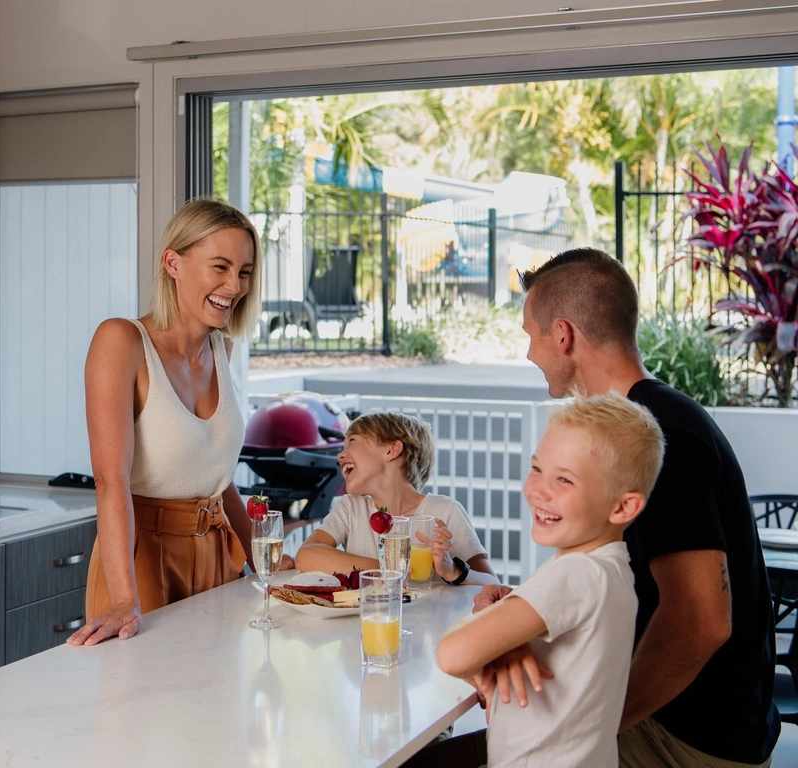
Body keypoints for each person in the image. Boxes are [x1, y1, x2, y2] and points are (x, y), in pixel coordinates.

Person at [477, 248, 779, 767]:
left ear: (564, 335)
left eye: (532, 335)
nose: (529, 353)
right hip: (687, 722)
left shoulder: (661, 438)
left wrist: (594, 720)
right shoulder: (638, 426)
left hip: (688, 740)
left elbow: (703, 620)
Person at [67, 197, 292, 647]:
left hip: (216, 556)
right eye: (220, 267)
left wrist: (272, 566)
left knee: (212, 706)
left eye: (244, 272)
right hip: (140, 559)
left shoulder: (223, 352)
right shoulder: (122, 341)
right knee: (140, 708)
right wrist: (124, 598)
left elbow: (217, 479)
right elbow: (110, 481)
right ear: (174, 262)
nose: (235, 285)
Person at [408, 393, 664, 768]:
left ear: (623, 507)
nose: (539, 490)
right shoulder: (611, 569)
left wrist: (492, 640)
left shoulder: (577, 573)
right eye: (537, 468)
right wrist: (506, 630)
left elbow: (452, 653)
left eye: (564, 479)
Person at [295, 412, 498, 587]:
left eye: (352, 442)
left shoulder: (445, 511)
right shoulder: (351, 507)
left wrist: (452, 570)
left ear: (392, 450)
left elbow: (492, 583)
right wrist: (390, 571)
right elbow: (306, 556)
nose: (340, 456)